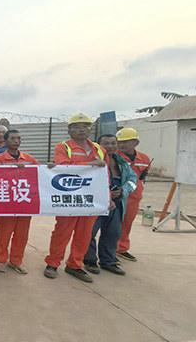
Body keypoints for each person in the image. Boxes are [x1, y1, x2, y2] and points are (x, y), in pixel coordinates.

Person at [44, 113, 107, 283]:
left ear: (90, 129)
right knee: (62, 232)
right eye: (77, 127)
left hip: (91, 199)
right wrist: (90, 164)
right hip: (68, 198)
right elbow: (64, 167)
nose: (82, 129)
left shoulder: (99, 150)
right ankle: (52, 263)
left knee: (84, 234)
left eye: (85, 126)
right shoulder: (63, 147)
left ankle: (74, 265)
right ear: (69, 131)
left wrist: (107, 198)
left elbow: (105, 176)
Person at [84, 134, 137, 276]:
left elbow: (132, 179)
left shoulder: (122, 162)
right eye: (106, 143)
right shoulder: (92, 161)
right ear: (98, 146)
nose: (110, 146)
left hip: (117, 203)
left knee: (113, 232)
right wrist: (105, 194)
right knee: (89, 232)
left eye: (113, 143)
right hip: (96, 203)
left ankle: (108, 261)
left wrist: (123, 190)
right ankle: (89, 261)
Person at [0, 130, 39, 274]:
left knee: (21, 235)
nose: (16, 141)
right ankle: (1, 261)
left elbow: (40, 173)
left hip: (24, 203)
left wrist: (51, 168)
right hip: (6, 204)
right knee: (4, 234)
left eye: (18, 138)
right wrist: (14, 171)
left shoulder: (28, 158)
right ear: (5, 141)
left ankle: (16, 261)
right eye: (12, 138)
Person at [116, 128, 151, 262]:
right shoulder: (113, 156)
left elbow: (142, 176)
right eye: (119, 142)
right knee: (112, 225)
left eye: (126, 142)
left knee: (127, 223)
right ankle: (108, 250)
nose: (121, 145)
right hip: (116, 195)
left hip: (133, 197)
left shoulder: (144, 158)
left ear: (136, 142)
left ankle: (121, 249)